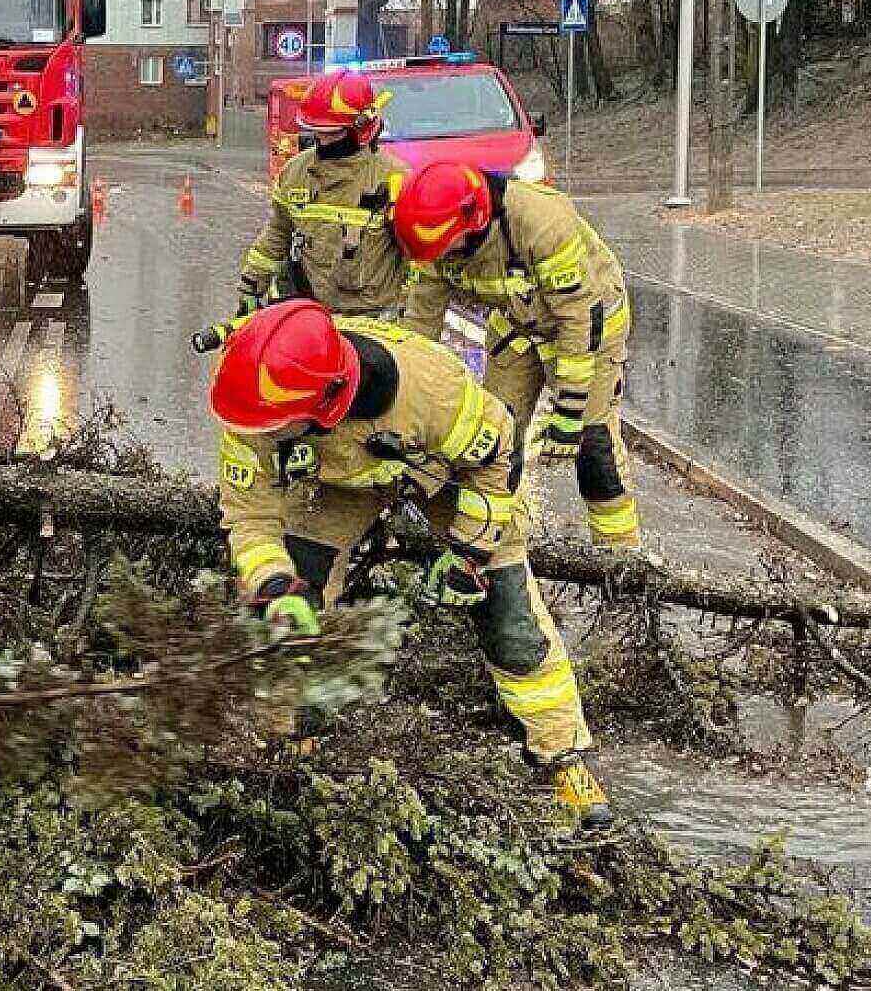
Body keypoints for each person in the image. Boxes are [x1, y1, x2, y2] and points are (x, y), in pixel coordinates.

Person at [211, 300, 611, 828]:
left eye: (274, 428)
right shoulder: (250, 396)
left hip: (441, 470)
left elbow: (496, 464)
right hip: (332, 485)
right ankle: (290, 743)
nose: (261, 436)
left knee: (511, 621)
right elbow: (250, 515)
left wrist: (469, 552)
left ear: (325, 402)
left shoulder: (431, 390)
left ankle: (564, 756)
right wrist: (273, 582)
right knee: (292, 612)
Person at [394, 161, 640, 551]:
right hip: (518, 326)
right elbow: (421, 324)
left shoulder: (541, 221)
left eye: (447, 248)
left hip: (589, 327)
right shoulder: (434, 242)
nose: (442, 259)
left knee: (593, 449)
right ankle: (498, 543)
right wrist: (404, 403)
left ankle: (620, 558)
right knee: (495, 436)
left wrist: (570, 410)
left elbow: (577, 316)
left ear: (474, 222)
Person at [235, 69, 411, 317]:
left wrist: (406, 319)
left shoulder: (394, 180)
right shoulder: (296, 172)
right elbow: (278, 232)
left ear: (361, 128)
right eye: (317, 131)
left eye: (333, 132)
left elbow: (418, 262)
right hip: (308, 315)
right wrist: (251, 287)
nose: (323, 140)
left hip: (371, 318)